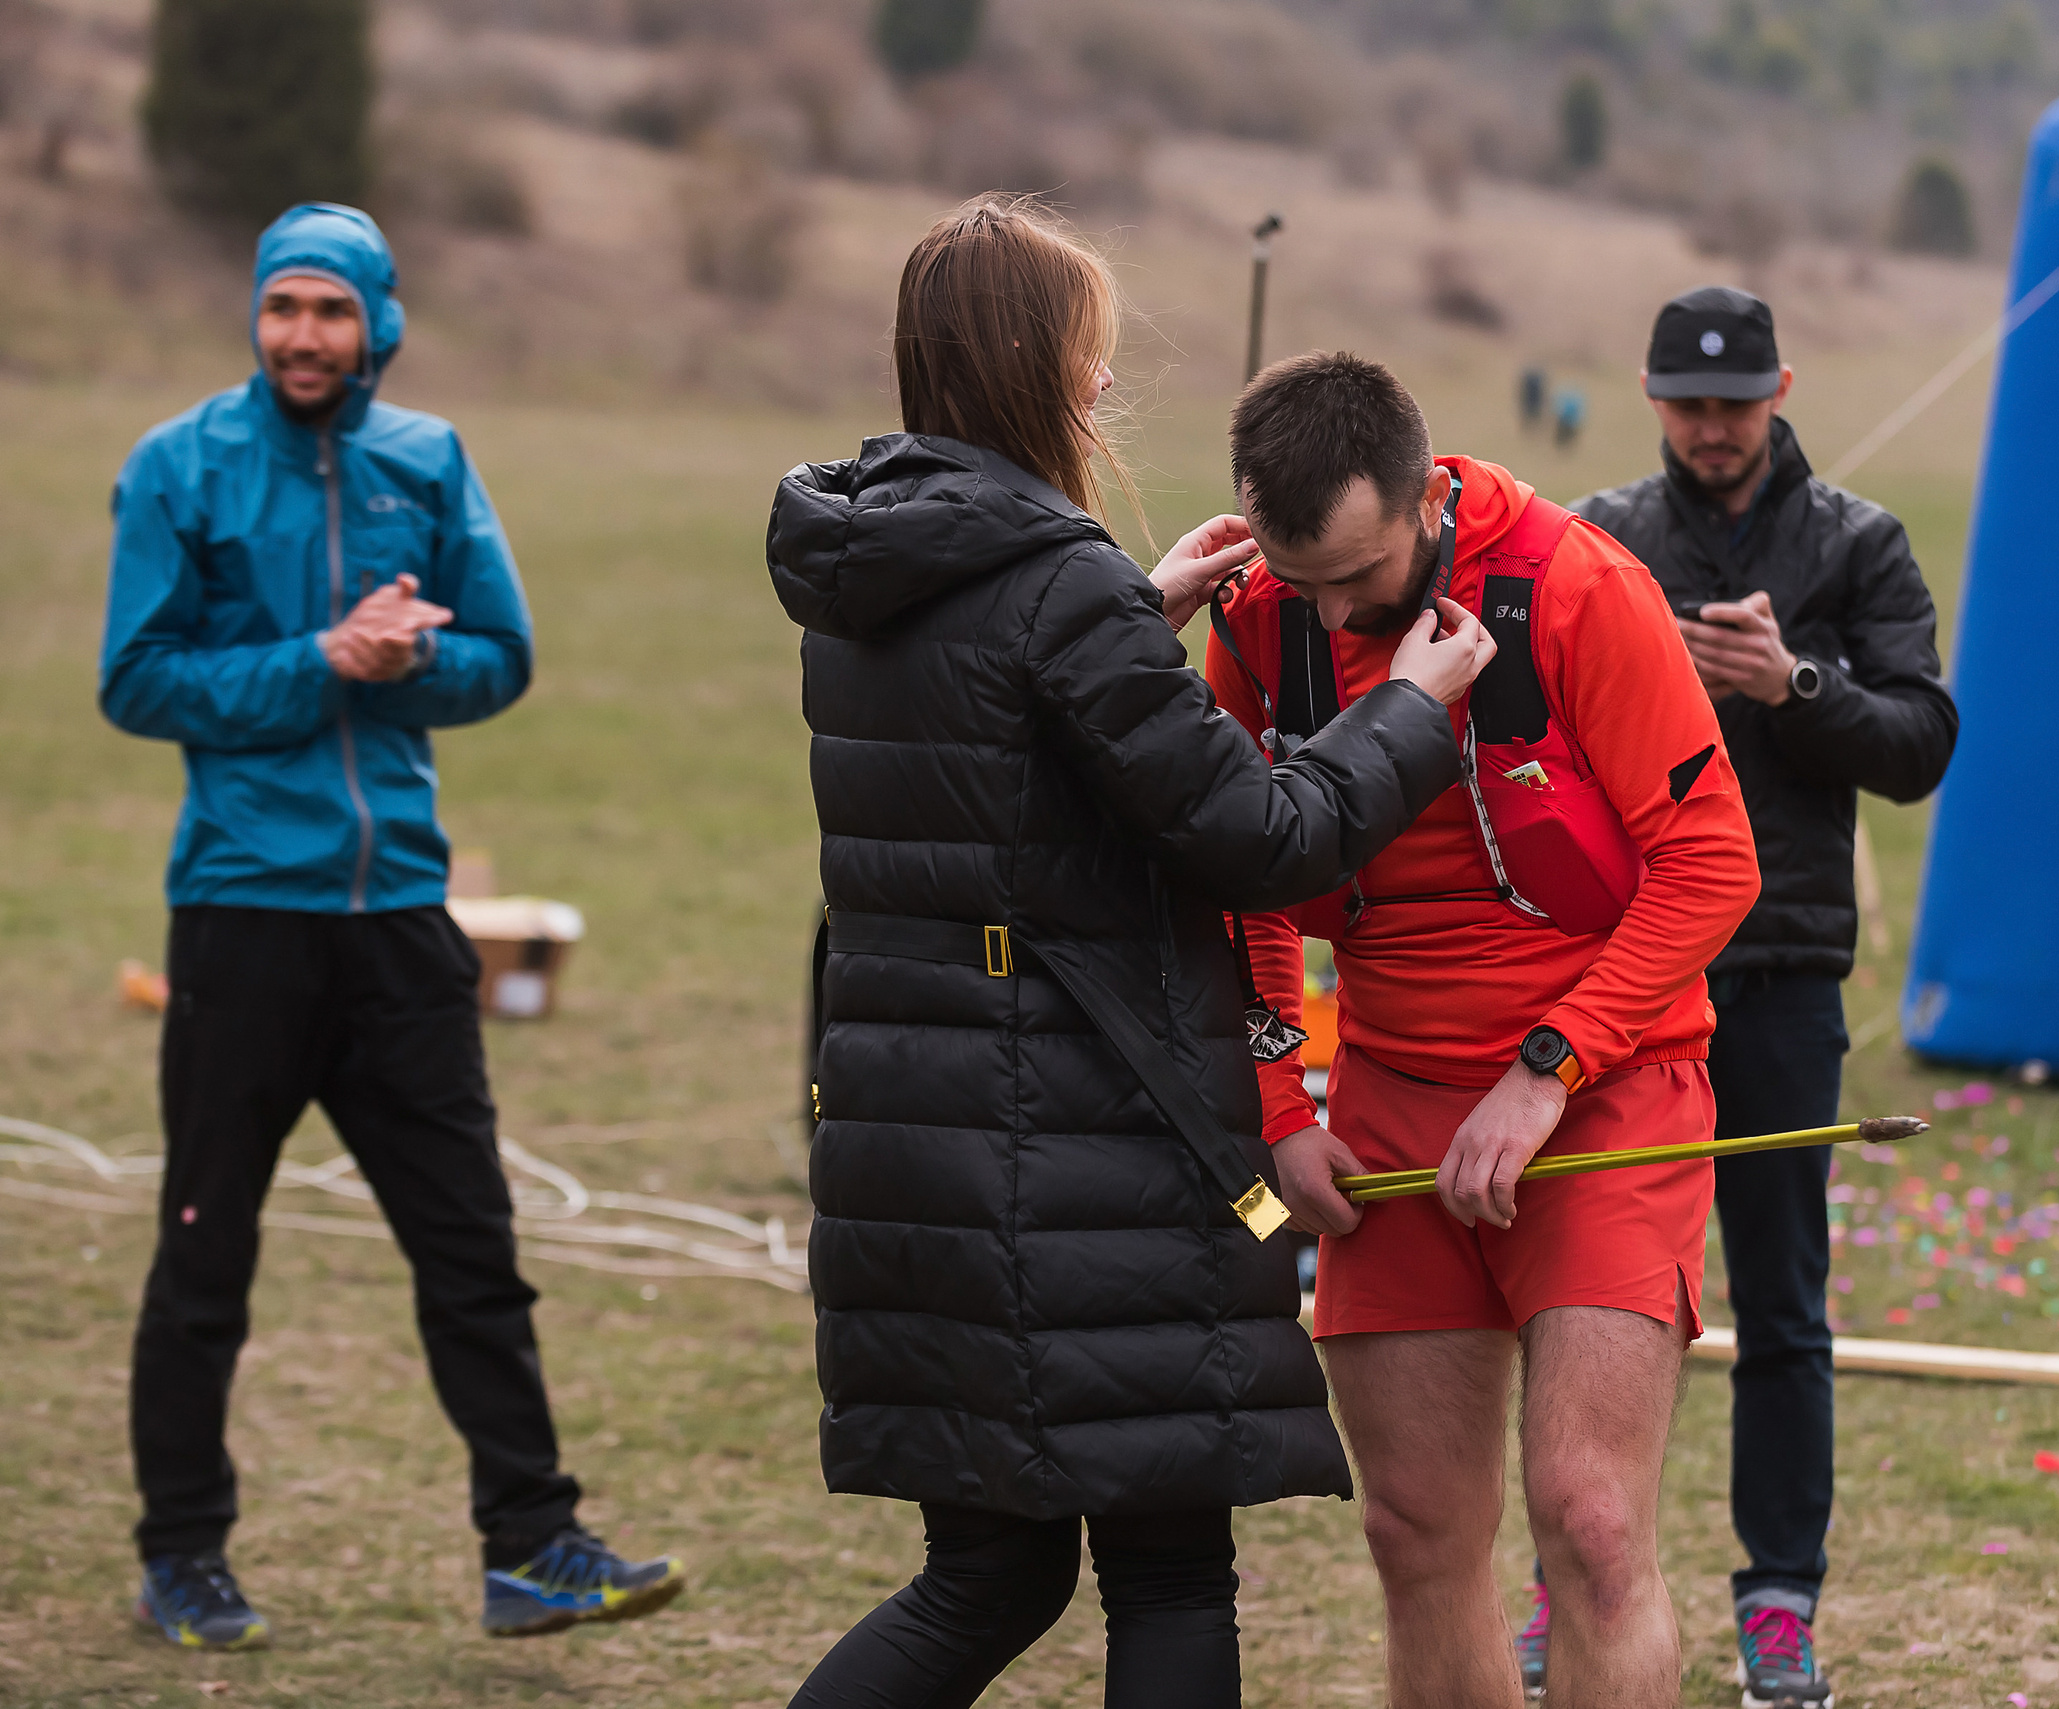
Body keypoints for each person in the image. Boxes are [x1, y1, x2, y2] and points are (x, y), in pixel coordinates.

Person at [764, 198, 1493, 1709]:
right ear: (1041, 368)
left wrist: (1132, 625)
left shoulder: (872, 570)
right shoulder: (1056, 582)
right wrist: (1412, 709)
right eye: (1089, 355)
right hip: (1078, 1147)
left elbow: (1002, 760)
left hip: (912, 1131)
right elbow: (1264, 837)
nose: (1101, 385)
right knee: (1167, 1568)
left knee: (991, 1568)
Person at [97, 203, 684, 1651]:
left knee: (471, 1246)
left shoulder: (428, 461)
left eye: (331, 312)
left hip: (403, 921)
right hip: (241, 914)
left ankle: (534, 1545)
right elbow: (139, 678)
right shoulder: (179, 465)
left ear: (380, 323)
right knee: (203, 1251)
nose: (303, 335)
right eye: (282, 307)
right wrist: (319, 661)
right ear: (256, 314)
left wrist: (411, 658)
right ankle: (183, 1555)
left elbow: (503, 657)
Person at [1207, 351, 1764, 1709]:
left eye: (1358, 575)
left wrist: (1546, 1069)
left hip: (1604, 1089)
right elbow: (1240, 881)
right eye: (1302, 577)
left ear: (1424, 496)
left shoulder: (1579, 585)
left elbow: (1712, 862)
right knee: (1412, 1526)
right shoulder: (1262, 618)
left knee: (1591, 1517)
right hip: (1388, 1096)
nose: (1331, 610)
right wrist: (1285, 1110)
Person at [1558, 285, 1958, 1709]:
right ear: (1653, 396)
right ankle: (1578, 1574)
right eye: (1688, 403)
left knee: (1781, 1302)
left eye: (1735, 404)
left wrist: (1795, 683)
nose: (1713, 430)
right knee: (1599, 1294)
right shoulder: (1597, 536)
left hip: (1782, 974)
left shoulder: (1858, 542)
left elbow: (1920, 743)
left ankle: (1779, 1599)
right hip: (1624, 972)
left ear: (1782, 388)